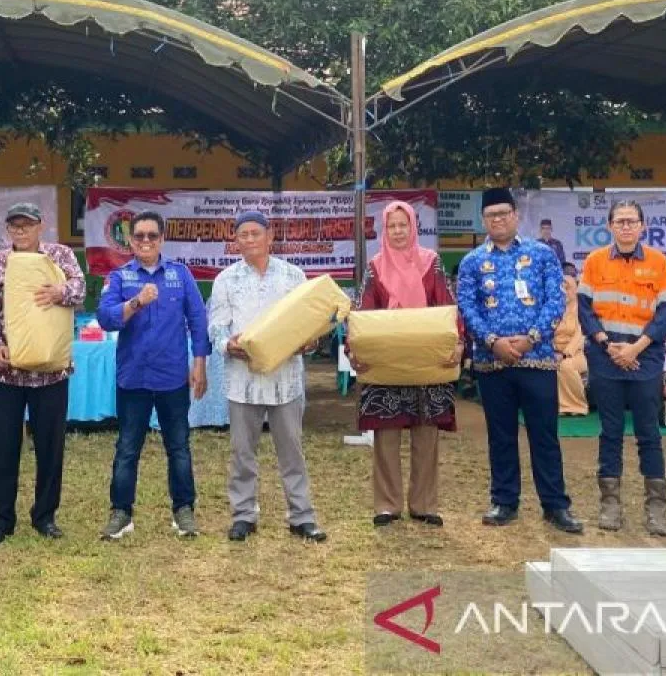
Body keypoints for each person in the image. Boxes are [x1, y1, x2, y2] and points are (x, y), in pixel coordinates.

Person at [457, 188, 582, 533]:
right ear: (483, 220)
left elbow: (555, 301)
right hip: (492, 363)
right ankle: (504, 501)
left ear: (516, 215)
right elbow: (467, 307)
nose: (498, 220)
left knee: (545, 435)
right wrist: (492, 341)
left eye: (503, 213)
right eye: (491, 215)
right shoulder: (471, 262)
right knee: (501, 435)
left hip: (537, 359)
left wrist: (531, 339)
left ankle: (555, 505)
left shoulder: (542, 255)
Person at [207, 210, 327, 542]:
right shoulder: (225, 280)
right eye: (242, 235)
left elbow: (307, 323)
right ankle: (243, 515)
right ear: (236, 241)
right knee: (242, 453)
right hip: (242, 381)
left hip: (285, 380)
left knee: (292, 451)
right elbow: (216, 327)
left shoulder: (293, 276)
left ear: (270, 236)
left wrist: (310, 342)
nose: (249, 240)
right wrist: (228, 345)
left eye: (255, 233)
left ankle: (302, 517)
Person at [347, 201, 463, 529]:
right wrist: (354, 348)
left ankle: (424, 504)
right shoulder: (375, 267)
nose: (398, 231)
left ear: (413, 227)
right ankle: (387, 505)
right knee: (386, 436)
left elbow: (448, 306)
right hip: (388, 363)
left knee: (426, 435)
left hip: (426, 361)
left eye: (403, 225)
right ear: (385, 230)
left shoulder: (432, 263)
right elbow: (363, 312)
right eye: (392, 226)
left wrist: (457, 342)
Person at [96, 211, 210, 540]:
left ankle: (183, 511)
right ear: (130, 241)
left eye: (152, 235)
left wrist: (199, 363)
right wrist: (136, 302)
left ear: (162, 239)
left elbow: (198, 320)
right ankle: (121, 513)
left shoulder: (180, 274)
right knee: (127, 448)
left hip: (172, 377)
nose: (145, 241)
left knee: (179, 447)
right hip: (133, 378)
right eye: (139, 236)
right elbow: (106, 318)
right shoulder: (119, 277)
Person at [0, 202, 85, 544]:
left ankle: (45, 516)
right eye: (15, 226)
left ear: (41, 225)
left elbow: (80, 290)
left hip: (51, 374)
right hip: (7, 373)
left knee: (50, 448)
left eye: (26, 225)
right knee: (2, 447)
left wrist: (59, 291)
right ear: (8, 230)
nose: (20, 231)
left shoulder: (60, 256)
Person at [577, 200, 666, 536]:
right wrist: (608, 345)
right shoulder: (594, 262)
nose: (625, 226)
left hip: (645, 359)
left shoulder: (659, 263)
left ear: (642, 226)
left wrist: (635, 348)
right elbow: (585, 310)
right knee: (610, 431)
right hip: (605, 358)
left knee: (649, 432)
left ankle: (656, 509)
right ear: (609, 226)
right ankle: (610, 504)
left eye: (631, 221)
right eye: (619, 221)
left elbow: (665, 314)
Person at [554, 263, 589, 416]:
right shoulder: (552, 308)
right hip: (552, 352)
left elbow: (581, 334)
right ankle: (560, 406)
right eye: (561, 288)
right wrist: (552, 351)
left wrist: (565, 353)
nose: (565, 291)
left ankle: (577, 406)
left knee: (566, 365)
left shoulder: (582, 309)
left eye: (568, 287)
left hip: (577, 353)